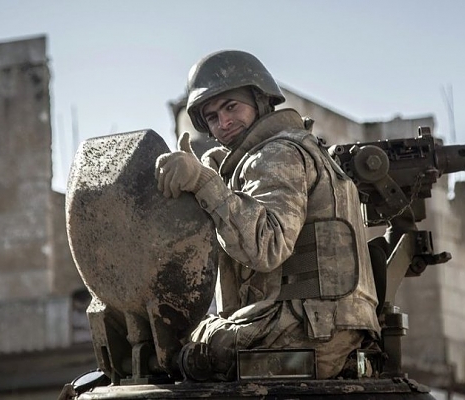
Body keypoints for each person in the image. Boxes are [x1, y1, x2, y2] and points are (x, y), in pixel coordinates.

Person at [154, 50, 381, 381]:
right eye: (213, 117)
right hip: (326, 328)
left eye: (232, 107)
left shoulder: (276, 152)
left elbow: (267, 246)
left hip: (305, 332)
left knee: (176, 351)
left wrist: (205, 183)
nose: (224, 122)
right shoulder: (291, 147)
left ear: (260, 100)